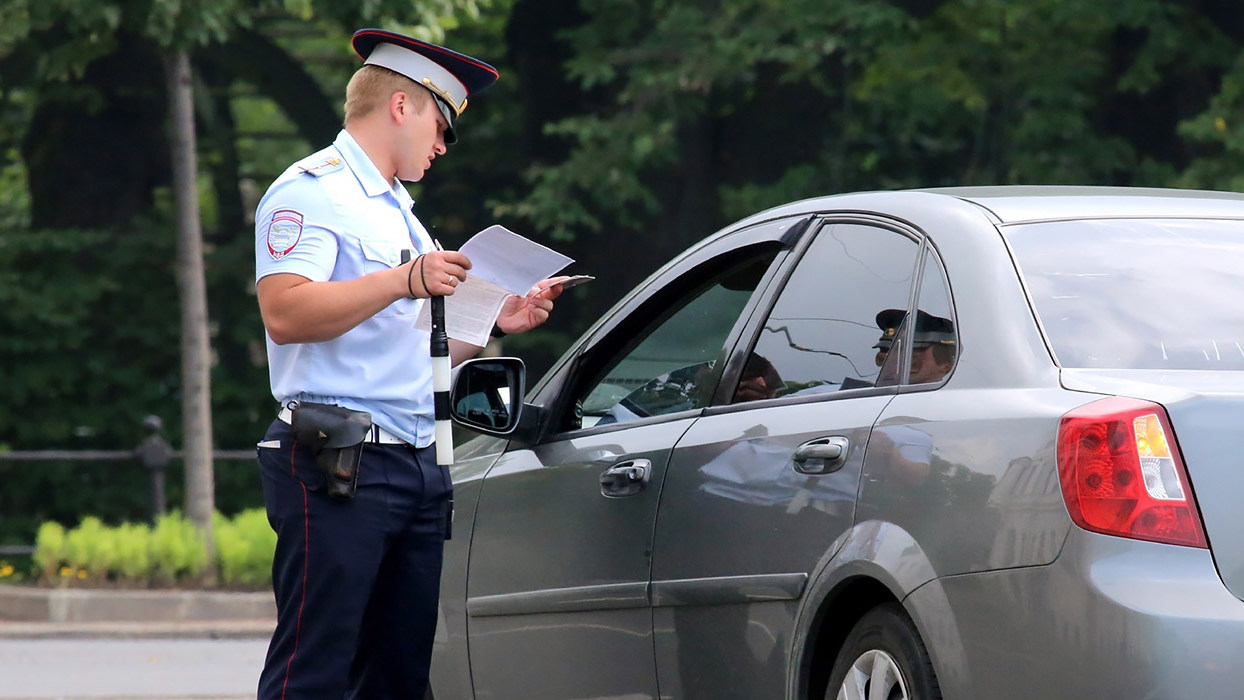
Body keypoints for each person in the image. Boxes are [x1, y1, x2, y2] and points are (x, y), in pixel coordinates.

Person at [251, 29, 564, 699]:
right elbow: (286, 312)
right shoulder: (311, 192)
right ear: (401, 105)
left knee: (399, 678)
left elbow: (413, 350)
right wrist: (405, 280)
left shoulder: (403, 220)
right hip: (341, 461)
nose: (444, 145)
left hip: (416, 460)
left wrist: (493, 321)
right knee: (315, 672)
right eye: (441, 124)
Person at [872, 308, 956, 385]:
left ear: (947, 365)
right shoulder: (868, 396)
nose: (891, 363)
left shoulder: (956, 399)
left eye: (911, 360)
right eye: (882, 359)